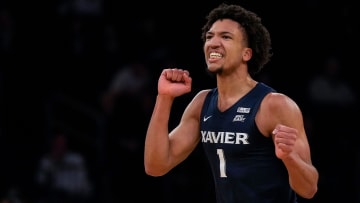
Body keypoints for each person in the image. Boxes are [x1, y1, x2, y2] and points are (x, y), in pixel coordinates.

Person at [144, 3, 318, 203]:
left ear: (247, 53)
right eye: (209, 37)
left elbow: (309, 188)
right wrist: (164, 98)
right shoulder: (202, 102)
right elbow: (155, 166)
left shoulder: (274, 105)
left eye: (226, 37)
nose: (213, 43)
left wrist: (289, 158)